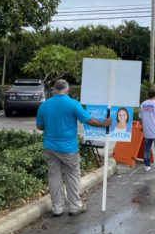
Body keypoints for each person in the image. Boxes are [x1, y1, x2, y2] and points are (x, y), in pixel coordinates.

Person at [36, 79, 112, 217]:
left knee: (54, 176)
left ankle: (57, 208)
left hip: (49, 146)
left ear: (54, 90)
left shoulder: (44, 105)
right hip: (68, 148)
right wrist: (103, 124)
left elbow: (39, 126)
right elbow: (88, 120)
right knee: (72, 176)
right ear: (67, 89)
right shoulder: (73, 104)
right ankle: (74, 206)